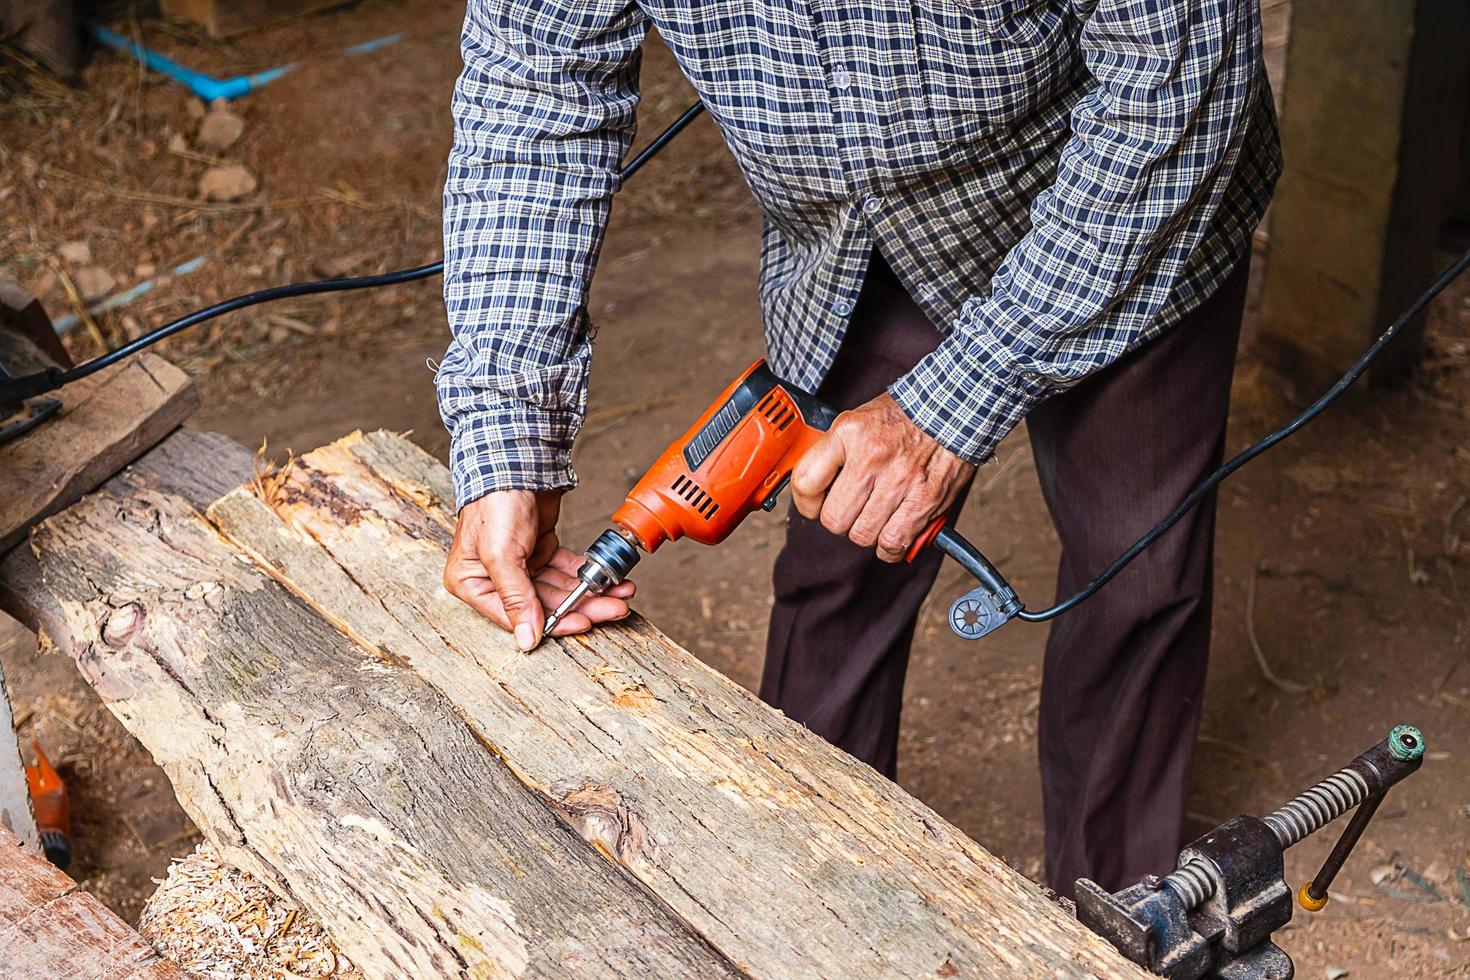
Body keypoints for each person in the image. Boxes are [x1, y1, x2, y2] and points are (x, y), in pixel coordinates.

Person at [436, 0, 1280, 897]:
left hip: (1120, 196)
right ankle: (802, 890)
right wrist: (507, 438)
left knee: (1135, 569)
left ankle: (1119, 911)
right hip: (852, 235)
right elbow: (534, 91)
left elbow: (1173, 93)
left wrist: (956, 403)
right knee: (836, 558)